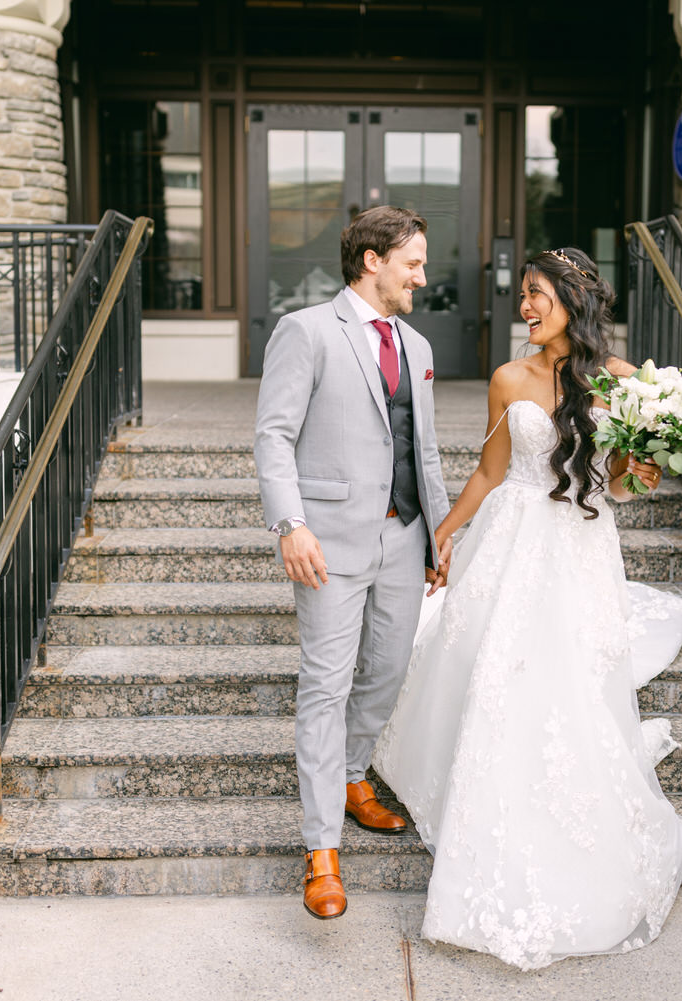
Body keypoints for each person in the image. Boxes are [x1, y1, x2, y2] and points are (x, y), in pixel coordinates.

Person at [372, 247, 682, 970]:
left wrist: (638, 471)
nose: (525, 306)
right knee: (492, 668)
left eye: (537, 294)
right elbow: (492, 469)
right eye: (523, 294)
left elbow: (615, 477)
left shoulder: (620, 381)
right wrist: (447, 531)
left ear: (571, 301)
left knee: (568, 678)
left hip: (577, 545)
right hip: (512, 536)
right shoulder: (506, 377)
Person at [254, 205, 454, 921]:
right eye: (413, 263)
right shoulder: (306, 332)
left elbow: (422, 449)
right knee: (325, 685)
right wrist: (291, 525)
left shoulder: (419, 346)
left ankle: (347, 774)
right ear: (374, 261)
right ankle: (321, 849)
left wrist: (437, 533)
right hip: (328, 541)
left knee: (389, 668)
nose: (421, 277)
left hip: (404, 538)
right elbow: (274, 435)